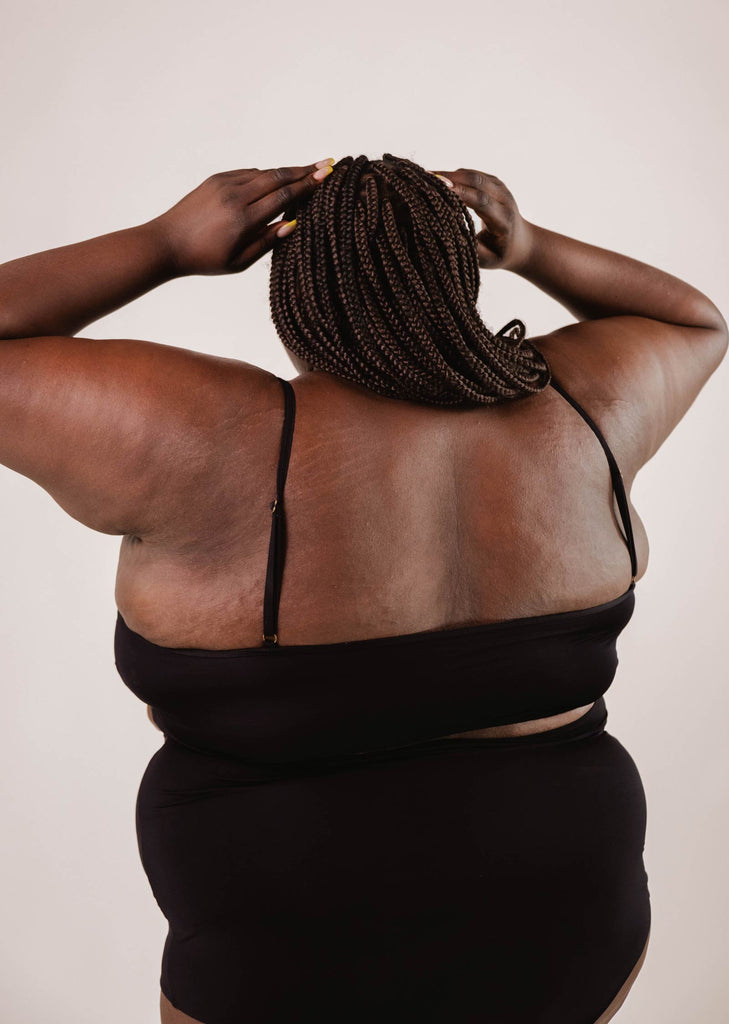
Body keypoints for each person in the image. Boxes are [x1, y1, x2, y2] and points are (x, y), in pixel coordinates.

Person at [0, 153, 725, 1024]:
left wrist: (163, 244)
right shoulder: (580, 407)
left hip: (277, 961)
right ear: (463, 279)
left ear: (293, 294)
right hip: (562, 930)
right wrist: (530, 245)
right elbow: (693, 323)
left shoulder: (208, 433)